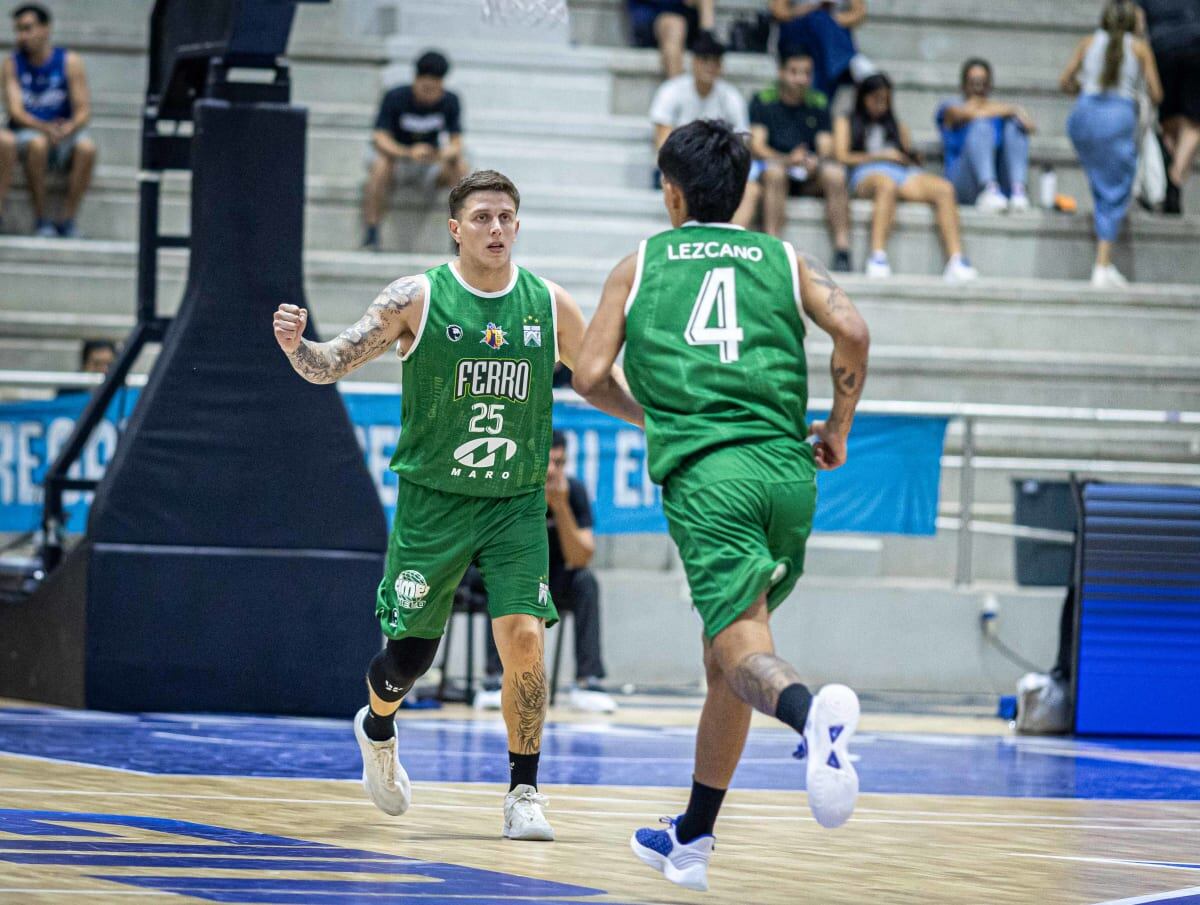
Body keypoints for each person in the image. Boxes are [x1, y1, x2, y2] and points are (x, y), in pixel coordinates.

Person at [272, 170, 643, 841]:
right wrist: (298, 346)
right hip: (434, 501)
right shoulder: (417, 297)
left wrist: (657, 419)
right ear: (455, 228)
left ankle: (524, 790)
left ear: (518, 225)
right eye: (481, 218)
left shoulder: (547, 302)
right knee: (407, 662)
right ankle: (377, 725)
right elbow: (331, 364)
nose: (495, 229)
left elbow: (595, 379)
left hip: (515, 501)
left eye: (505, 217)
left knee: (524, 637)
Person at [573, 119, 870, 892]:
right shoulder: (784, 257)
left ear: (672, 192)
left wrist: (651, 416)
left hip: (712, 476)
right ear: (740, 193)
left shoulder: (640, 263)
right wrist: (837, 429)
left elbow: (589, 373)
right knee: (724, 658)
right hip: (789, 471)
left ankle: (811, 716)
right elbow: (852, 329)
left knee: (742, 648)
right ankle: (693, 836)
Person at [475, 430, 616, 714]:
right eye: (546, 462)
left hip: (555, 580)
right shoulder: (512, 488)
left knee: (586, 582)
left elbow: (581, 557)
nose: (552, 470)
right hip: (514, 575)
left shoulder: (573, 491)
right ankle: (496, 678)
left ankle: (588, 681)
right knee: (500, 578)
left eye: (559, 463)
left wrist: (560, 507)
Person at [834, 73, 978, 281]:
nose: (881, 105)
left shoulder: (897, 126)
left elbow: (906, 155)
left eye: (885, 100)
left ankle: (956, 259)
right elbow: (841, 156)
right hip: (865, 172)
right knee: (886, 185)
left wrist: (910, 157)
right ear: (863, 97)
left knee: (944, 189)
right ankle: (877, 256)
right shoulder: (845, 121)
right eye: (876, 99)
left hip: (900, 173)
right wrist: (881, 155)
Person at [1060, 0, 1162, 287]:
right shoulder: (1139, 48)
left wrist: (1087, 92)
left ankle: (1104, 262)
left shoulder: (1088, 42)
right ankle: (1102, 266)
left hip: (1084, 115)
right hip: (1117, 117)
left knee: (1102, 185)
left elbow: (1065, 81)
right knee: (1114, 192)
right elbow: (1156, 93)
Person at [750, 51, 852, 270]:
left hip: (809, 173)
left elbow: (826, 146)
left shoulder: (818, 102)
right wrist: (787, 160)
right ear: (781, 72)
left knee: (835, 174)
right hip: (778, 170)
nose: (801, 79)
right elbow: (757, 146)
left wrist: (814, 160)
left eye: (806, 73)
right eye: (794, 72)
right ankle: (773, 248)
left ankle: (842, 250)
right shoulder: (763, 100)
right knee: (774, 173)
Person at [2, 3, 96, 238]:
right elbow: (16, 112)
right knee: (37, 144)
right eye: (18, 30)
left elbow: (83, 111)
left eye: (27, 28)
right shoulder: (12, 63)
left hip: (63, 131)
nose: (22, 36)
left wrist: (68, 128)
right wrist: (45, 128)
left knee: (87, 148)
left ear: (46, 29)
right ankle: (41, 217)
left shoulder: (69, 61)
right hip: (29, 131)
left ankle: (68, 220)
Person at [649, 32, 759, 227]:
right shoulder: (671, 91)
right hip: (680, 168)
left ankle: (729, 238)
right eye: (704, 59)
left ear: (721, 65)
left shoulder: (731, 97)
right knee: (680, 186)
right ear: (693, 61)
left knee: (751, 189)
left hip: (718, 170)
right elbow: (662, 141)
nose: (710, 66)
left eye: (715, 61)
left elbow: (741, 145)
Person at [361, 50, 467, 251]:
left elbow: (457, 143)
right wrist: (408, 152)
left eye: (434, 89)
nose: (429, 94)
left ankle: (460, 237)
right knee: (380, 164)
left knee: (460, 166)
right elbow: (380, 137)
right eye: (425, 88)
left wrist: (438, 155)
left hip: (431, 164)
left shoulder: (451, 101)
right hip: (398, 162)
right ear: (416, 80)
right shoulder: (395, 97)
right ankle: (372, 231)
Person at [937, 58, 1035, 213]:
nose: (978, 86)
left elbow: (1030, 127)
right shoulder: (950, 107)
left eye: (983, 82)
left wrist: (1013, 114)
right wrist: (1013, 109)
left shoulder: (1000, 114)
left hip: (999, 183)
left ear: (990, 85)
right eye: (973, 82)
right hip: (963, 182)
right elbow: (963, 114)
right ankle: (988, 188)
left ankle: (1018, 190)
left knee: (1014, 127)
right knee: (981, 125)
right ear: (963, 85)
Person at [1135, 0, 1200, 214]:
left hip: (1162, 49)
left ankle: (1168, 177)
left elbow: (1137, 21)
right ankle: (1175, 177)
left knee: (1168, 119)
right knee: (1194, 123)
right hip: (1195, 44)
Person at [770, 0, 875, 113]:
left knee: (821, 23)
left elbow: (859, 13)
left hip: (828, 36)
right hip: (796, 32)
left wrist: (831, 19)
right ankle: (848, 61)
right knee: (818, 19)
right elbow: (778, 11)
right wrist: (805, 10)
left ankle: (818, 110)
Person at [628, 0, 715, 78]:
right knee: (675, 25)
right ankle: (677, 87)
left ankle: (707, 40)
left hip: (688, 17)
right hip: (654, 16)